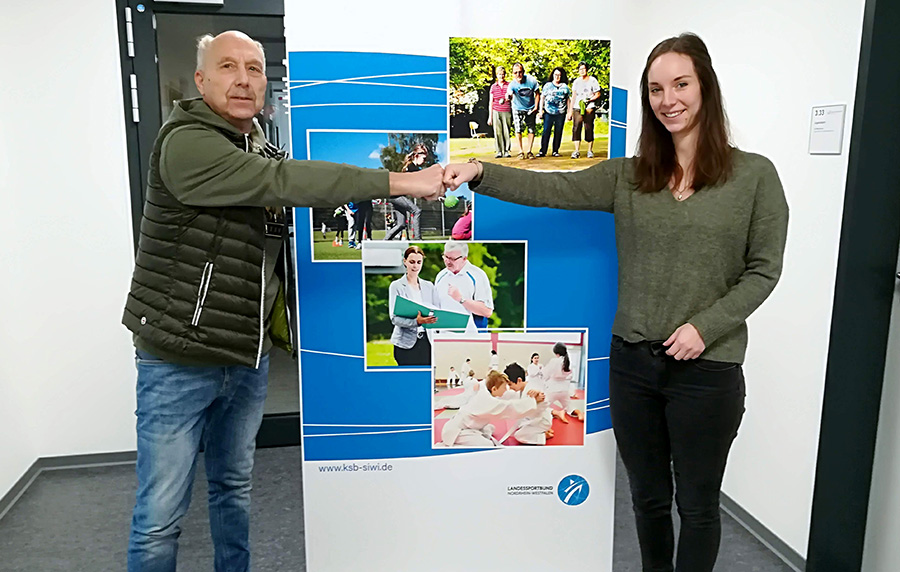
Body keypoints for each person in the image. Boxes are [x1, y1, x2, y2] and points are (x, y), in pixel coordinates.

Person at [443, 32, 789, 572]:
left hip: (708, 370)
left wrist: (705, 326)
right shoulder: (630, 177)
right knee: (647, 499)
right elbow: (553, 189)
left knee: (696, 506)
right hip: (632, 365)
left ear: (706, 88)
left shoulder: (754, 176)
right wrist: (481, 172)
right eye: (655, 89)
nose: (667, 99)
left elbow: (764, 270)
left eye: (681, 84)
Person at [122, 30, 443, 572]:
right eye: (228, 67)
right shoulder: (187, 143)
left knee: (233, 491)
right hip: (180, 358)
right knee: (160, 515)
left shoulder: (257, 143)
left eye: (254, 67)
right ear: (201, 81)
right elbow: (285, 181)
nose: (243, 79)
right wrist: (402, 181)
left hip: (244, 357)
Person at [440, 370, 544, 447]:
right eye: (504, 388)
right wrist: (533, 401)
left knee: (490, 428)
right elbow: (509, 408)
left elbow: (509, 397)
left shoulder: (487, 390)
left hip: (471, 426)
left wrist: (532, 396)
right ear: (494, 388)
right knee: (488, 445)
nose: (505, 390)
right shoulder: (486, 401)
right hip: (457, 431)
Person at [388, 246, 438, 366]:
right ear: (405, 261)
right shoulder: (396, 286)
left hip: (428, 342)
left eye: (418, 262)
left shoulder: (429, 286)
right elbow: (394, 318)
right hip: (405, 344)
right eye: (411, 262)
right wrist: (417, 322)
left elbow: (436, 310)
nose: (415, 266)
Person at [434, 241, 494, 329]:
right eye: (446, 257)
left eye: (453, 259)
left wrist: (461, 299)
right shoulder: (441, 276)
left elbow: (487, 311)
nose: (448, 262)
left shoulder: (478, 275)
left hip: (471, 336)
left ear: (464, 258)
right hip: (443, 335)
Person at [504, 362, 554, 444]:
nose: (510, 388)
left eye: (510, 384)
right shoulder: (521, 390)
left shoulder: (532, 389)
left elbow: (546, 401)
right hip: (531, 420)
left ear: (519, 380)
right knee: (519, 426)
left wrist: (539, 397)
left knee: (519, 435)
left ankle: (542, 435)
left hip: (540, 421)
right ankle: (541, 431)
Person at [385, 144, 426, 240]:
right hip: (395, 195)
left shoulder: (414, 169)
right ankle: (418, 239)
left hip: (394, 196)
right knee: (416, 211)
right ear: (417, 156)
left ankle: (385, 241)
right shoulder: (411, 168)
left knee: (401, 224)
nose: (425, 161)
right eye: (423, 159)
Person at [541, 342, 584, 423]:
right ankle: (580, 413)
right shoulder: (568, 362)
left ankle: (558, 413)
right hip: (564, 390)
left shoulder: (554, 361)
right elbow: (570, 376)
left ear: (556, 353)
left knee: (542, 406)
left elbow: (545, 374)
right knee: (569, 406)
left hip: (552, 390)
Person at [506, 63, 540, 160]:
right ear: (513, 74)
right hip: (517, 108)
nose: (518, 75)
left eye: (520, 72)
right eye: (515, 73)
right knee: (518, 128)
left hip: (530, 107)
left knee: (531, 129)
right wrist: (508, 97)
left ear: (523, 72)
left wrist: (536, 107)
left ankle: (529, 151)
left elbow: (537, 94)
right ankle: (520, 151)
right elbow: (509, 94)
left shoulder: (531, 81)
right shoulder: (512, 84)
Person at [537, 67, 572, 157]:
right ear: (553, 75)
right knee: (546, 131)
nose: (557, 77)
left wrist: (569, 112)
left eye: (559, 75)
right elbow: (542, 98)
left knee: (558, 131)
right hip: (548, 112)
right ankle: (542, 151)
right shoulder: (547, 86)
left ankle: (555, 150)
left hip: (560, 112)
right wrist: (540, 110)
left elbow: (568, 100)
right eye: (556, 75)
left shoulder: (565, 87)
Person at [570, 61, 603, 159]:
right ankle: (576, 150)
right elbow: (574, 96)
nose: (582, 71)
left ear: (587, 70)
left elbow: (598, 93)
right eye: (580, 69)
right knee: (576, 128)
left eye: (583, 69)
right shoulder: (576, 82)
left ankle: (590, 150)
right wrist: (570, 110)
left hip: (589, 107)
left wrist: (589, 99)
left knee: (588, 127)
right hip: (577, 107)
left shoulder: (592, 80)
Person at [486, 66, 512, 158]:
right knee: (497, 132)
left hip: (506, 110)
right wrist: (490, 116)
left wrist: (508, 97)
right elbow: (491, 102)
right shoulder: (493, 87)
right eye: (500, 74)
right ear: (497, 75)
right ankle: (499, 151)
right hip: (496, 111)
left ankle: (506, 151)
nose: (501, 76)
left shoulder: (509, 85)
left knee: (506, 131)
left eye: (503, 74)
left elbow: (512, 97)